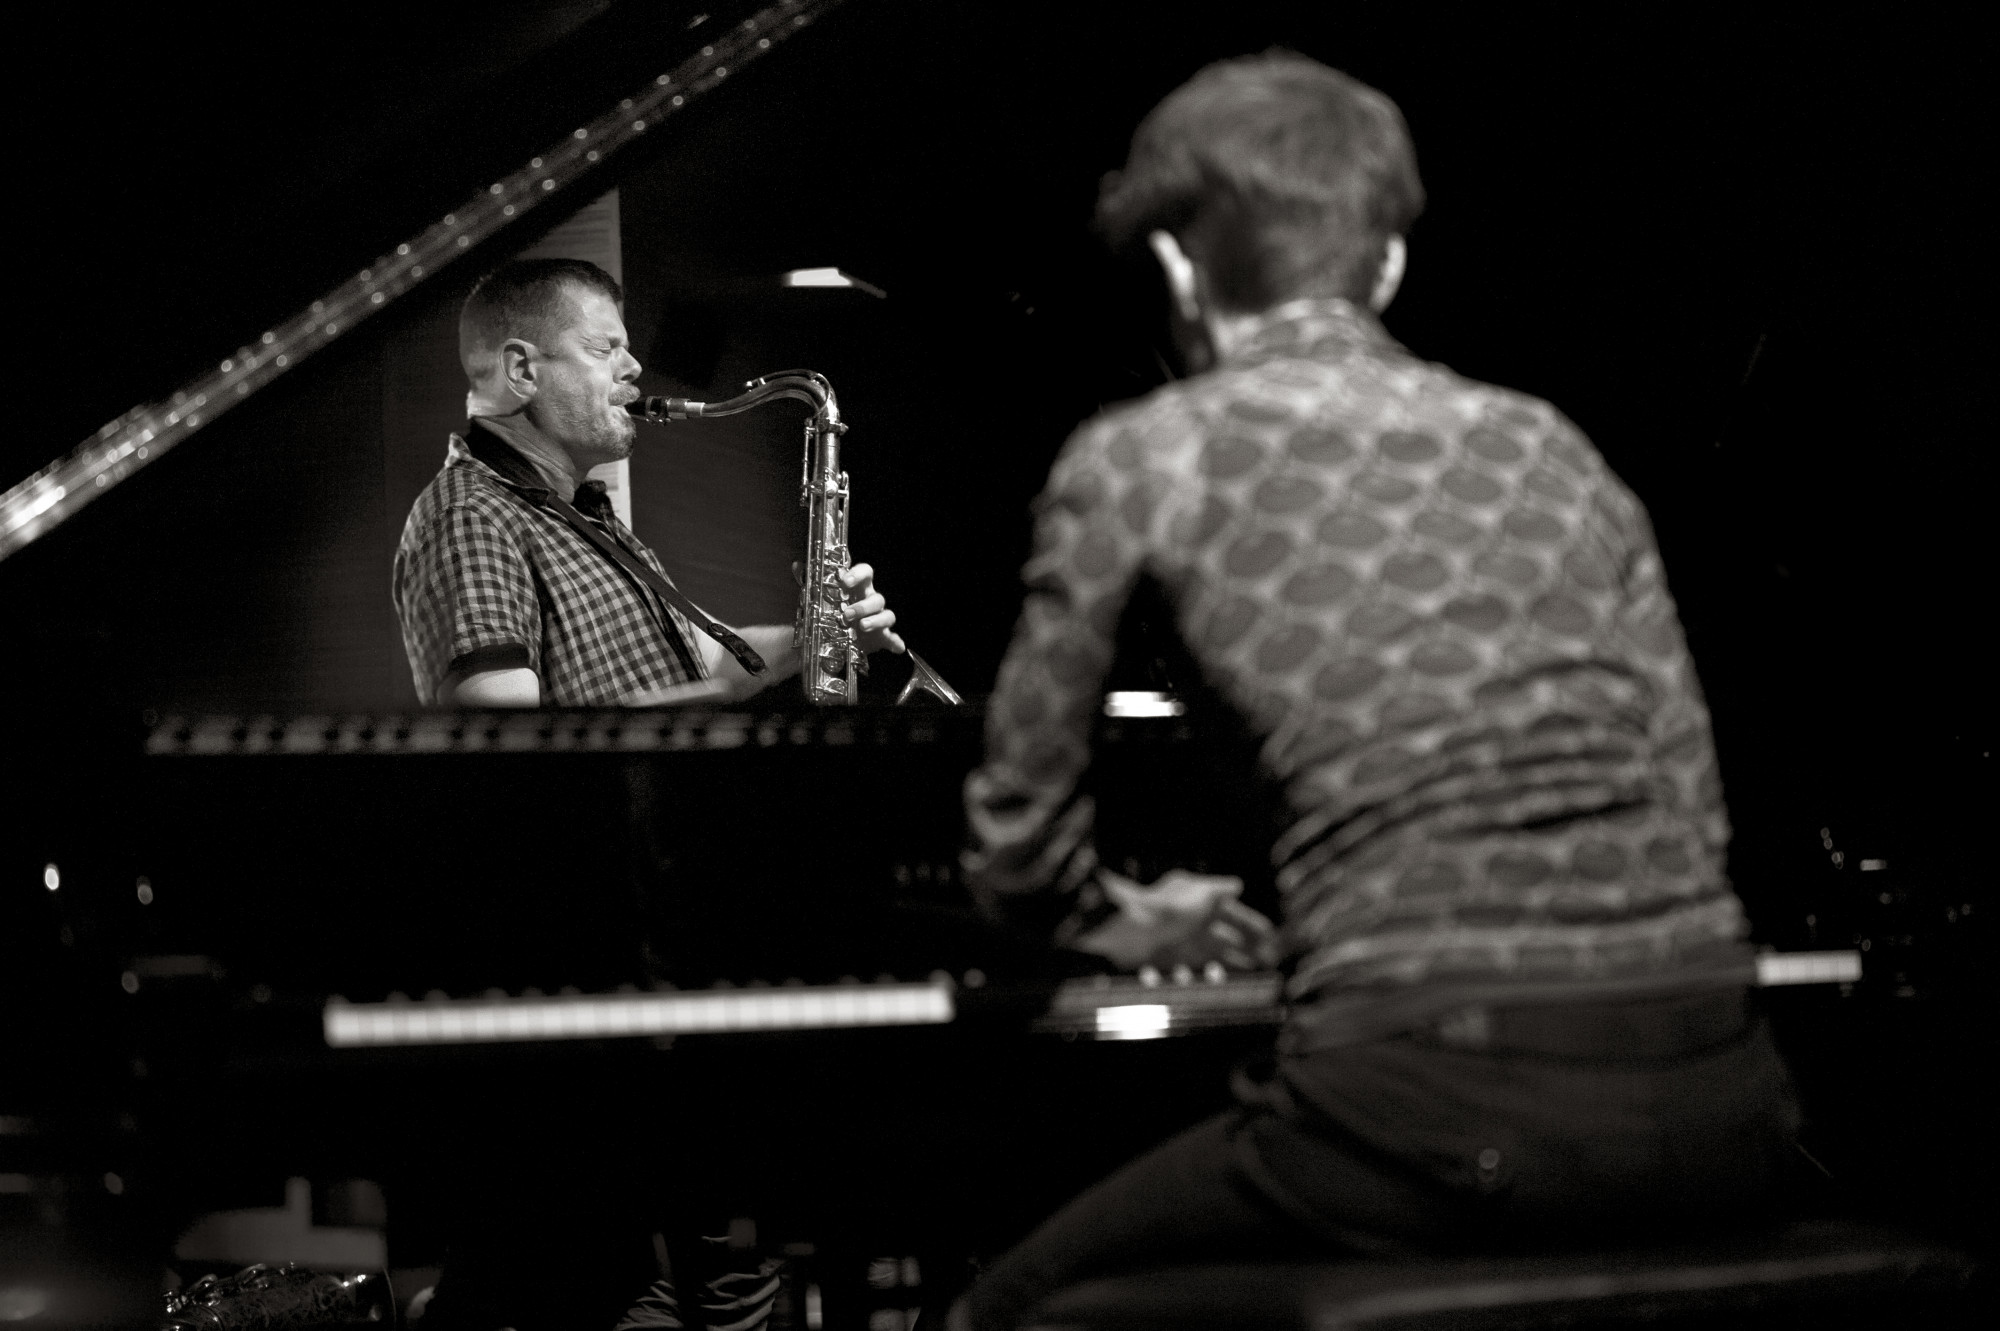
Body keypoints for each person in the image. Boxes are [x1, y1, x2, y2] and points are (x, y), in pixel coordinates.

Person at [953, 52, 1799, 1330]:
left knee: (999, 1307)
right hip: (1730, 1095)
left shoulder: (1141, 454)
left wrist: (1117, 913)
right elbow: (1694, 812)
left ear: (1178, 266)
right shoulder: (1550, 445)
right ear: (1387, 263)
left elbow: (1013, 855)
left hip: (1426, 1112)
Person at [393, 256, 904, 708]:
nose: (634, 367)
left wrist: (815, 635)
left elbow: (713, 661)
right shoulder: (471, 516)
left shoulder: (580, 513)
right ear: (523, 369)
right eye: (604, 349)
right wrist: (681, 717)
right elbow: (509, 747)